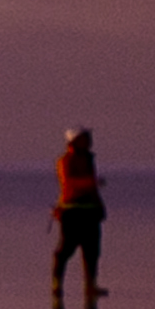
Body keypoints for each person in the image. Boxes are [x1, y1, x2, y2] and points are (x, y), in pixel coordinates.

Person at [49, 126, 104, 295]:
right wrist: (91, 183)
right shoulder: (65, 160)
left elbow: (93, 188)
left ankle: (91, 286)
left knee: (92, 251)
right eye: (85, 138)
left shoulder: (88, 159)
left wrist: (100, 206)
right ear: (74, 141)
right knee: (66, 249)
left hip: (90, 211)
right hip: (71, 211)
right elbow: (69, 184)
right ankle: (57, 285)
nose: (89, 141)